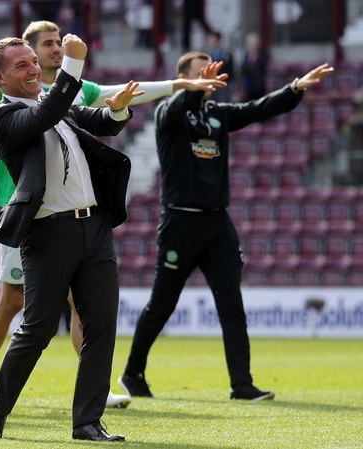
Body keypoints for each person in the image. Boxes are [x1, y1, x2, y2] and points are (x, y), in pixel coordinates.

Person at [0, 20, 223, 410]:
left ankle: (91, 394)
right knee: (17, 305)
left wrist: (166, 90)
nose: (48, 54)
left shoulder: (63, 92)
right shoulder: (13, 105)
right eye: (43, 46)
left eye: (50, 48)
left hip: (82, 221)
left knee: (86, 308)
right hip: (28, 217)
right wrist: (67, 65)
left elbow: (108, 104)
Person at [117, 53, 333, 401]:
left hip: (217, 223)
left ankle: (241, 385)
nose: (210, 75)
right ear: (183, 78)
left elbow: (257, 108)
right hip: (180, 222)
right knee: (162, 304)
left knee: (231, 302)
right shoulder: (168, 114)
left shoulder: (217, 114)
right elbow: (173, 107)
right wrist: (189, 90)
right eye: (202, 71)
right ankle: (132, 373)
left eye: (212, 70)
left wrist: (294, 88)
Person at [0, 34, 140, 442]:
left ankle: (86, 423)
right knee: (37, 329)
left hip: (95, 229)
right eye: (22, 66)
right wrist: (74, 65)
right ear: (0, 78)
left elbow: (95, 120)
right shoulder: (4, 116)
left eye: (34, 61)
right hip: (49, 234)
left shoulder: (55, 105)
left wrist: (117, 111)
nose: (33, 69)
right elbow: (47, 114)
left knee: (101, 326)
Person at [204, 30, 233, 103]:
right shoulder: (207, 54)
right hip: (210, 84)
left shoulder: (226, 54)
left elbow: (230, 70)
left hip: (222, 83)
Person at [241, 32, 268, 101]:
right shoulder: (245, 57)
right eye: (250, 44)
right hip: (248, 87)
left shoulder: (262, 56)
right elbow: (243, 70)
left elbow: (258, 68)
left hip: (259, 87)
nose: (252, 46)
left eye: (254, 44)